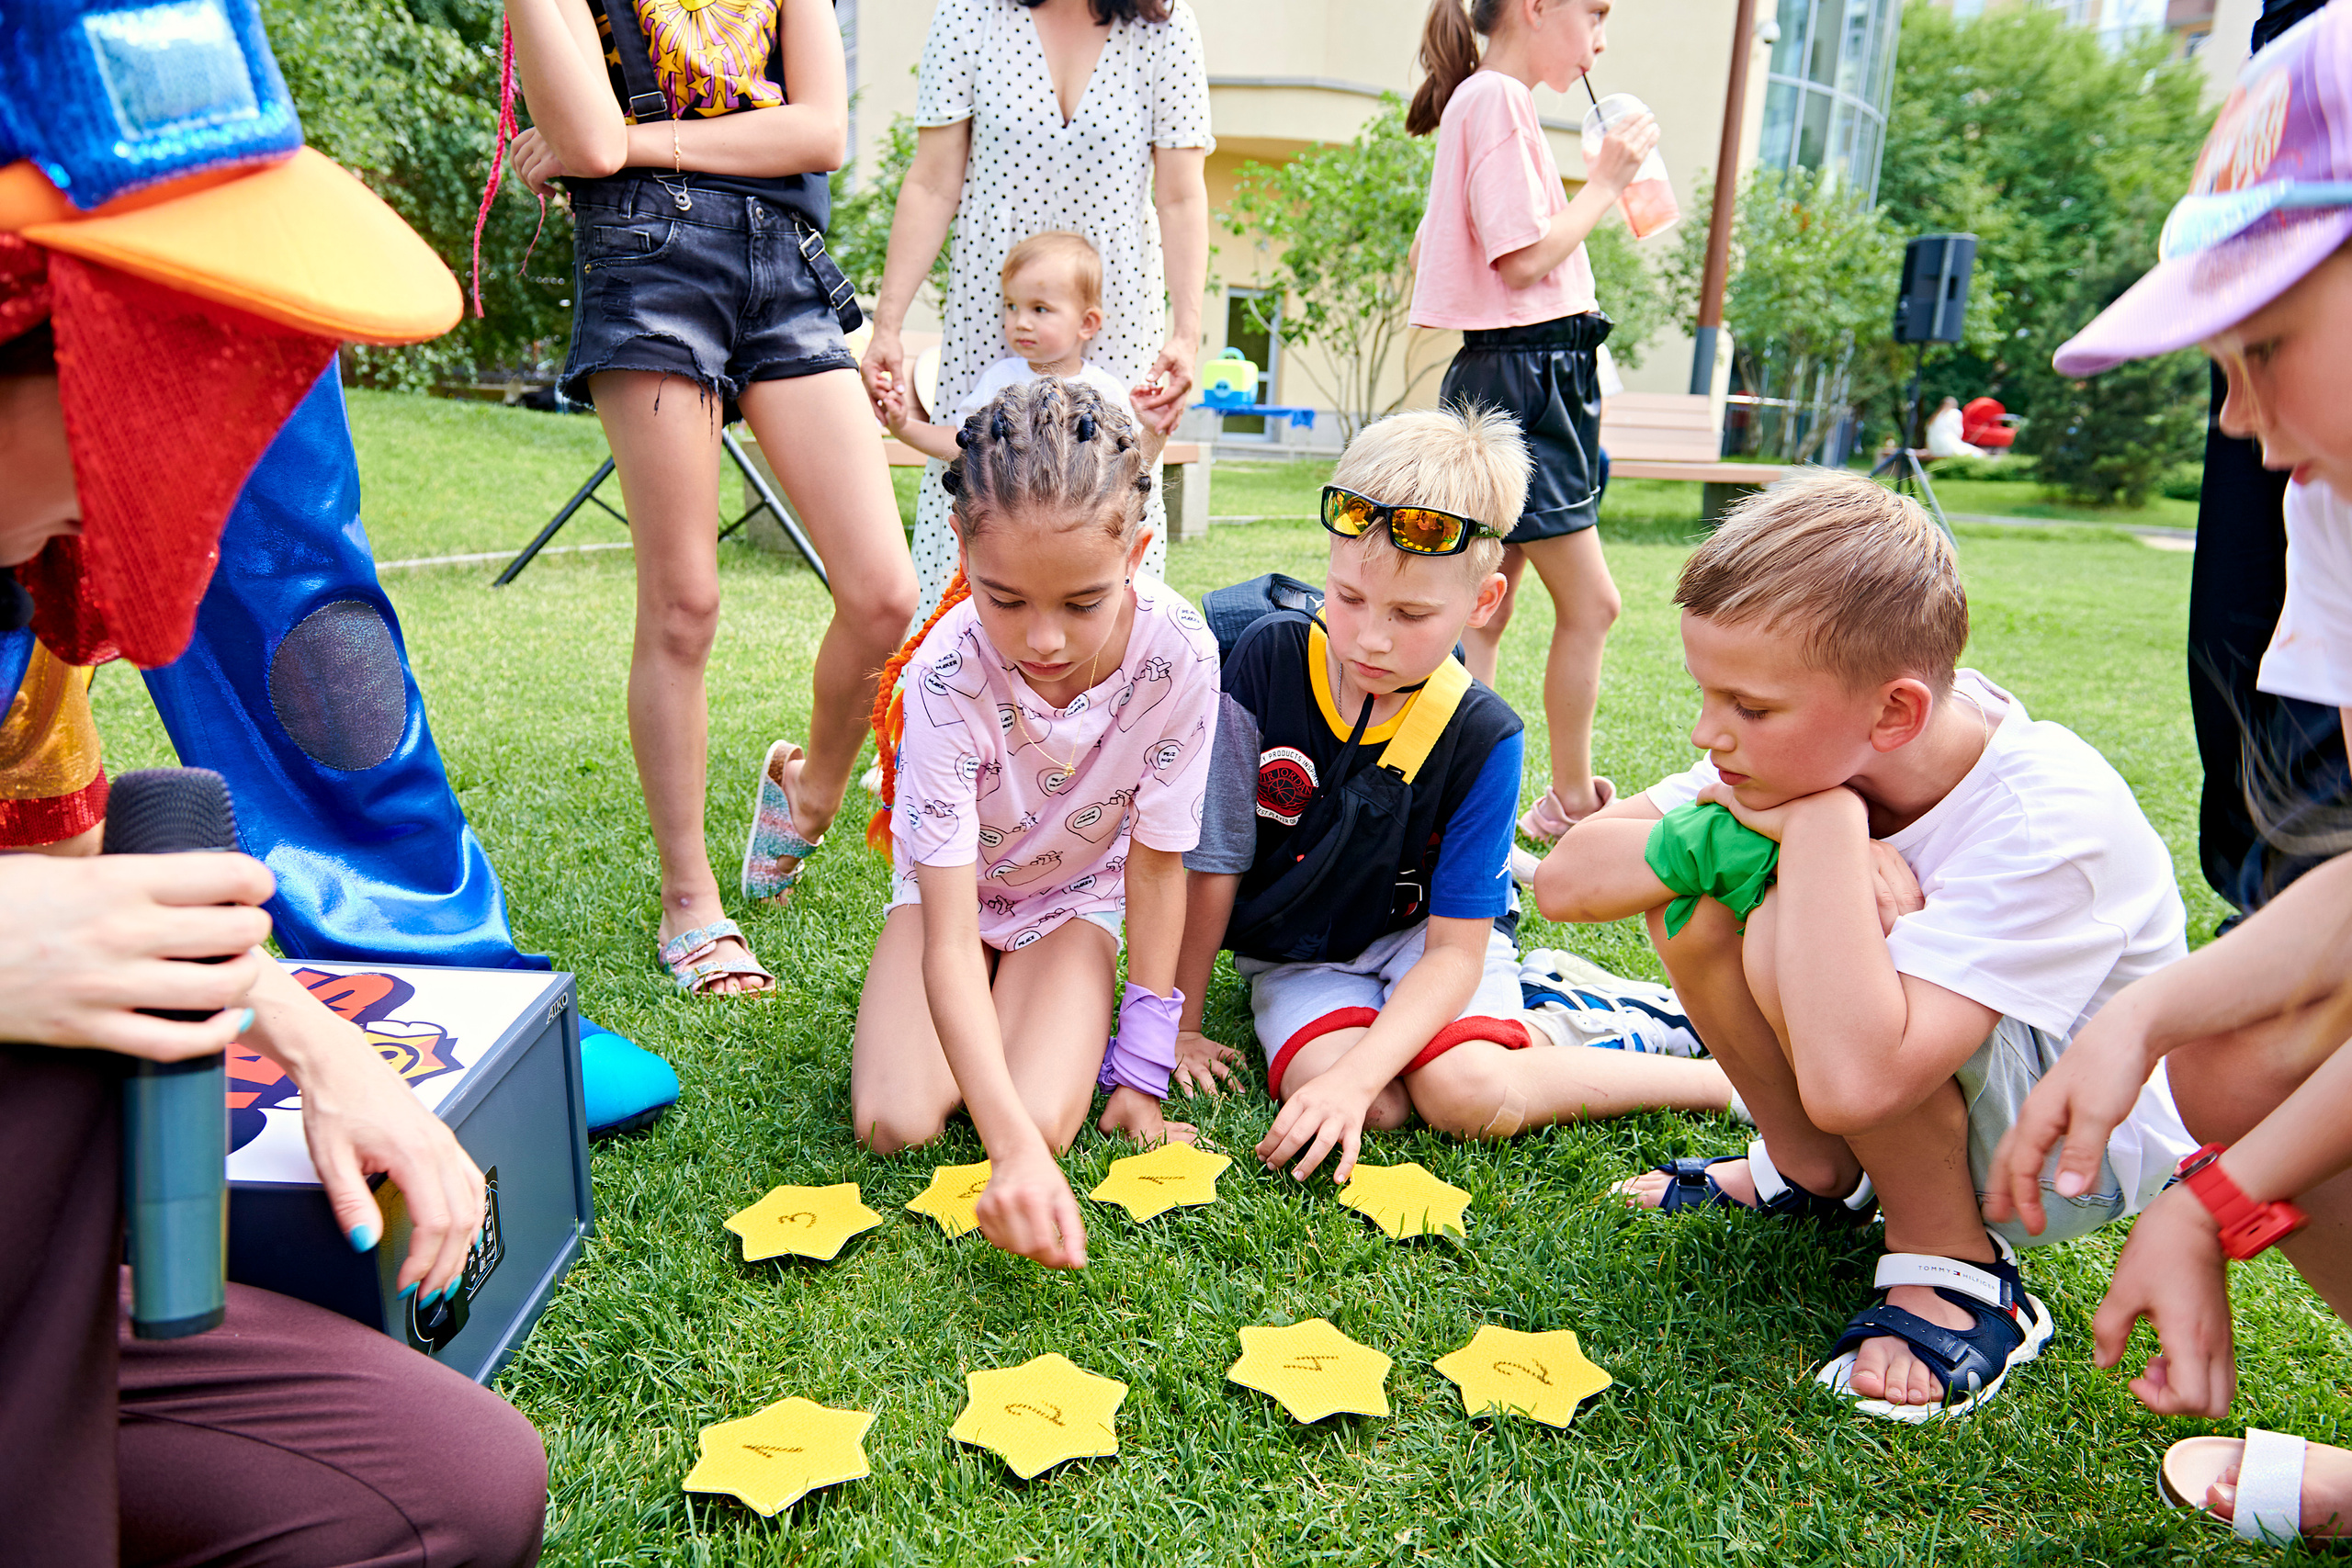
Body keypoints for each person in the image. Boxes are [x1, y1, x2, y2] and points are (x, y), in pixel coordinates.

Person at [0, 3, 547, 1549]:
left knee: (447, 1489)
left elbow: (74, 841)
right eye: (154, 362)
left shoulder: (18, 596)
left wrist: (319, 1043)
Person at [1535, 468, 2197, 1422]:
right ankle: (1810, 1172)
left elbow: (1858, 1080)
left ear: (1893, 713)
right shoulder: (1818, 747)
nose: (1705, 732)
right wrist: (1795, 823)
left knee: (1782, 925)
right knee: (1696, 899)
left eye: (1747, 709)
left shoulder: (2046, 816)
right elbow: (1568, 881)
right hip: (1909, 1069)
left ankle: (1958, 1269)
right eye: (1707, 695)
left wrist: (1820, 839)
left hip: (2066, 1151)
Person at [1985, 4, 2352, 1539]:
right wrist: (2136, 1013)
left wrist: (2224, 1200)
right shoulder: (2338, 503)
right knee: (2239, 1040)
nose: (2242, 425)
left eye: (2263, 346)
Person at [1172, 406, 1734, 1181]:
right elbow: (1217, 857)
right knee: (1374, 1109)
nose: (1370, 636)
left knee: (1464, 1096)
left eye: (1410, 614)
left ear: (1484, 602)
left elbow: (1454, 950)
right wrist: (1183, 1025)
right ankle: (1492, 1019)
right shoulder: (1266, 656)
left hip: (1424, 940)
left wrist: (1361, 1067)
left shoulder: (1484, 734)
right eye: (1349, 596)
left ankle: (1685, 1062)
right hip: (1298, 957)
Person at [503, 0, 918, 995]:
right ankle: (691, 902)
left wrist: (639, 145)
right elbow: (590, 143)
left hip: (786, 268)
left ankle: (809, 789)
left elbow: (818, 132)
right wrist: (636, 148)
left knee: (883, 595)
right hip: (648, 268)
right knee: (685, 603)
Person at [851, 378, 1215, 1270]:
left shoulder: (1180, 655)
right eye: (1005, 599)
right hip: (959, 898)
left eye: (1081, 603)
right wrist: (1004, 1153)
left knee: (1046, 1119)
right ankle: (1003, 1010)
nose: (1043, 639)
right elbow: (945, 933)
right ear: (961, 547)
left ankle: (1047, 1000)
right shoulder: (940, 676)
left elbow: (1158, 870)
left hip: (1072, 893)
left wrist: (1140, 1074)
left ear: (1134, 551)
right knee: (894, 1122)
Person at [861, 0, 1214, 622]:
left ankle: (1100, 700)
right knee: (981, 488)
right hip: (993, 316)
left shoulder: (1165, 29)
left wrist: (1187, 333)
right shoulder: (970, 15)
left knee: (1108, 493)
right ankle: (955, 698)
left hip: (1116, 315)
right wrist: (886, 323)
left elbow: (1182, 195)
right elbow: (932, 181)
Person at [1405, 0, 1655, 848]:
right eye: (1595, 12)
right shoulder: (1498, 99)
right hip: (1526, 378)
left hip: (1525, 371)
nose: (1602, 37)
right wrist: (1608, 184)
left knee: (1482, 607)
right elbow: (1523, 260)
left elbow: (1448, 249)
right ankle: (1571, 801)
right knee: (1594, 605)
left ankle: (1436, 783)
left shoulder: (1484, 100)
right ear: (1537, 6)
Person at [879, 231, 1142, 460]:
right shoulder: (1001, 379)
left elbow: (1129, 460)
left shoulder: (1104, 390)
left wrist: (1156, 430)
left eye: (1040, 309)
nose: (1021, 322)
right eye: (1012, 306)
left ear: (1086, 323)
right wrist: (903, 427)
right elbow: (964, 444)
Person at [1922, 396, 1984, 460]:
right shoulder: (1954, 412)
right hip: (1949, 447)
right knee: (1980, 453)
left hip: (1934, 449)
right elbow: (1959, 432)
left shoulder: (1935, 417)